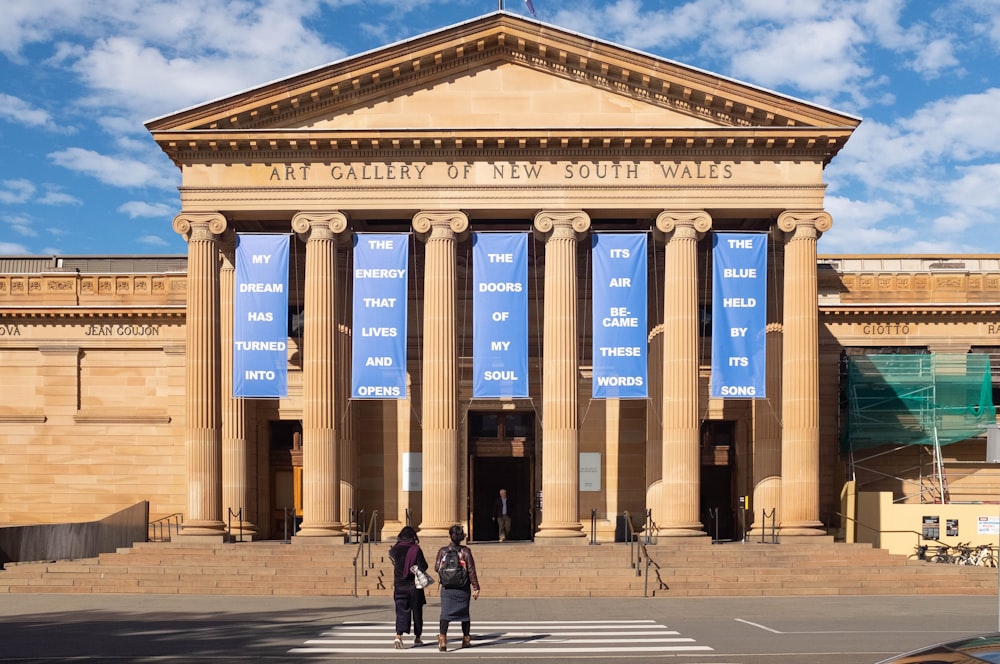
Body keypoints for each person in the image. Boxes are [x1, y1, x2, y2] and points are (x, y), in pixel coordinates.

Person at [434, 524, 480, 651]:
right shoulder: (466, 551)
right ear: (461, 537)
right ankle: (465, 639)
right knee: (464, 614)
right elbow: (471, 570)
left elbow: (437, 568)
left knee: (445, 614)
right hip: (462, 587)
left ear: (449, 536)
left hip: (447, 588)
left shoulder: (443, 551)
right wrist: (476, 587)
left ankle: (442, 639)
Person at [388, 525, 429, 649]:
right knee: (417, 611)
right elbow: (424, 566)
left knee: (401, 611)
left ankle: (398, 636)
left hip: (399, 585)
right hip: (414, 586)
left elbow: (393, 558)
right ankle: (417, 637)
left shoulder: (395, 550)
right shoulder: (416, 549)